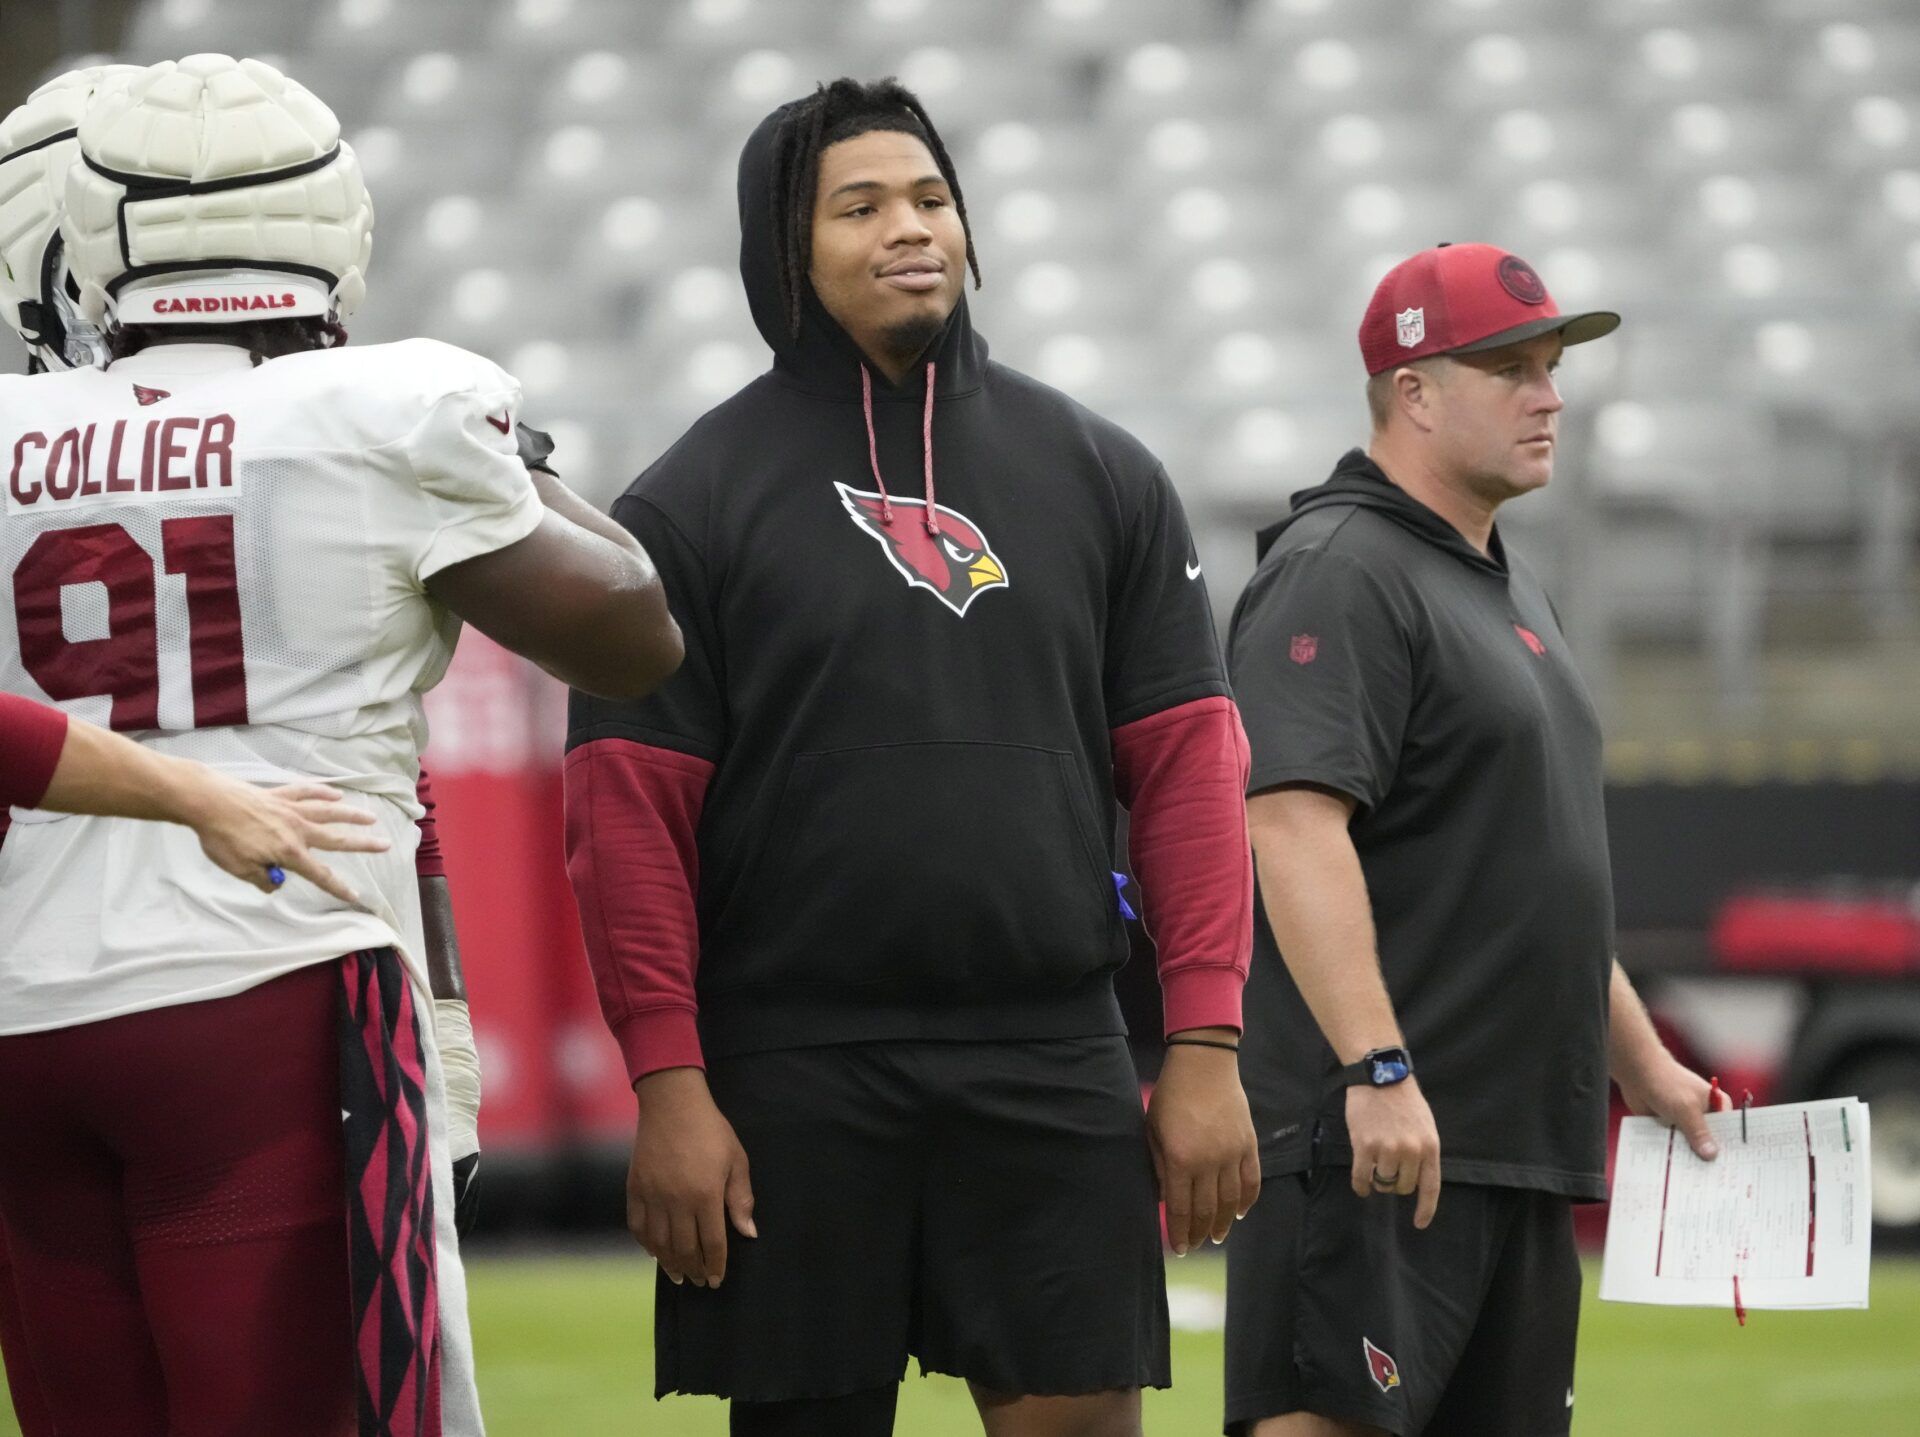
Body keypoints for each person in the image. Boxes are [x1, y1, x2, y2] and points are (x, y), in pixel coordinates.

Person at [565, 76, 1258, 1437]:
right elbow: (625, 816)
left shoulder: (1105, 473)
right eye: (861, 205)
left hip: (1051, 1050)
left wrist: (1207, 1045)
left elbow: (1186, 774)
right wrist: (670, 1084)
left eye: (932, 199)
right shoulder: (685, 502)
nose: (911, 229)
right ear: (784, 251)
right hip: (791, 1071)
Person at [0, 54, 681, 1437]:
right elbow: (631, 635)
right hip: (268, 980)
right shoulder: (387, 410)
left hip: (24, 1006)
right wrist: (515, 465)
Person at [1221, 242, 1729, 1437]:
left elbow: (1526, 875)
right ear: (1413, 391)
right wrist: (1376, 1071)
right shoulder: (1339, 570)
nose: (1550, 394)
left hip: (1510, 1151)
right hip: (1378, 1146)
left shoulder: (1506, 586)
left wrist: (1641, 1067)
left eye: (1552, 366)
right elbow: (1290, 830)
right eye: (1510, 367)